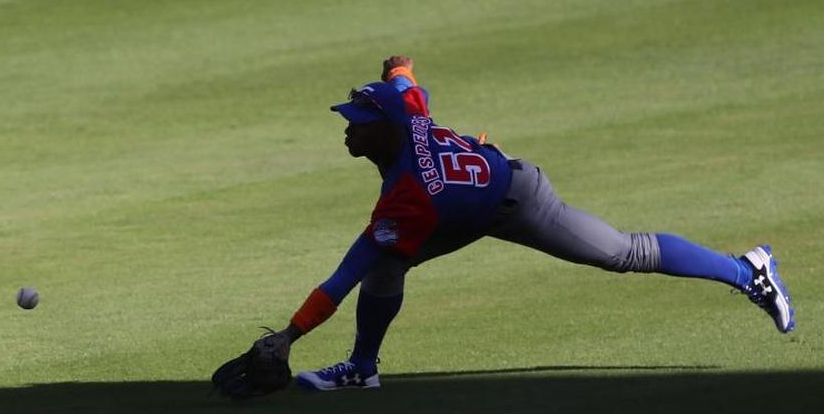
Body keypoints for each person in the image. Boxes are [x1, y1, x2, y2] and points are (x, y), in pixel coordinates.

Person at [268, 56, 793, 392]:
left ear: (384, 132)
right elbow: (407, 84)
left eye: (356, 124)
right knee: (390, 264)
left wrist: (288, 336)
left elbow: (342, 277)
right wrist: (399, 69)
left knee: (622, 253)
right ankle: (362, 367)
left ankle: (750, 271)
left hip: (519, 198)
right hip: (458, 207)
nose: (346, 131)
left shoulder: (407, 197)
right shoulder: (407, 112)